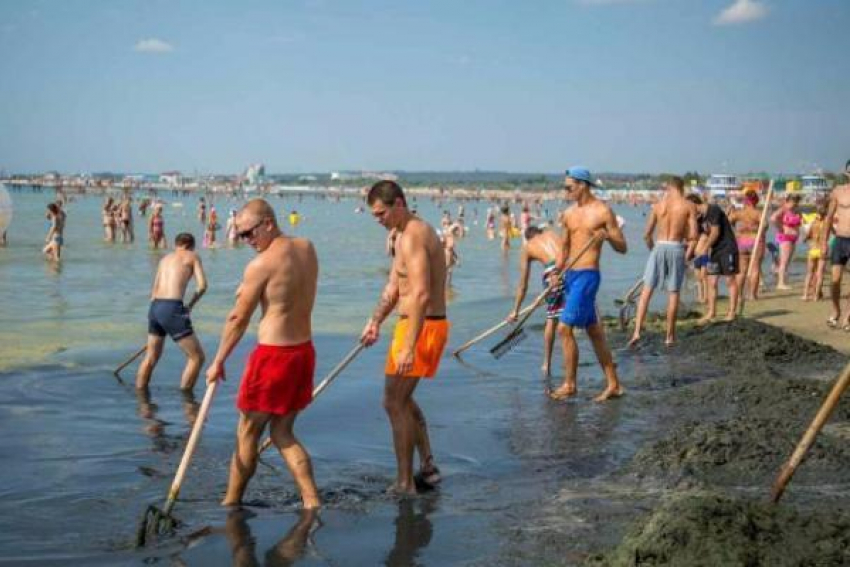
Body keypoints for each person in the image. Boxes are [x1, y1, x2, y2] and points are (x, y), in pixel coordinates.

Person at [205, 199, 320, 509]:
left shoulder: (261, 265)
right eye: (240, 235)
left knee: (247, 433)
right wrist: (252, 288)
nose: (246, 241)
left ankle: (230, 504)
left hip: (274, 357)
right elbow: (289, 291)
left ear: (268, 223)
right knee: (283, 432)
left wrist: (217, 361)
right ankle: (311, 501)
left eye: (249, 233)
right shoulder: (307, 248)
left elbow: (237, 319)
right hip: (303, 352)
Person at [360, 180, 448, 495]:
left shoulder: (413, 236)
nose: (378, 219)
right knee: (402, 399)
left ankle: (404, 482)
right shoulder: (399, 236)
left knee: (393, 401)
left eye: (381, 213)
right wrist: (375, 321)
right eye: (374, 215)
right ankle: (427, 466)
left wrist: (409, 345)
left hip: (423, 326)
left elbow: (422, 293)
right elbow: (395, 288)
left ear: (399, 203)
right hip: (410, 325)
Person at [549, 167, 627, 402]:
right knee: (594, 332)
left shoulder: (602, 211)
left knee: (564, 328)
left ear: (583, 185)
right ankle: (614, 385)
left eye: (569, 187)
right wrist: (556, 272)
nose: (566, 191)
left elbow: (623, 247)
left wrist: (609, 237)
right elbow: (564, 248)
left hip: (588, 275)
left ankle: (570, 384)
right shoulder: (569, 214)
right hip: (570, 275)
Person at [628, 176, 698, 348]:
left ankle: (637, 331)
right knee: (673, 293)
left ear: (669, 187)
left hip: (658, 247)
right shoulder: (688, 205)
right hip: (675, 247)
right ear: (682, 188)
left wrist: (653, 250)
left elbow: (646, 235)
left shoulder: (658, 206)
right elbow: (694, 236)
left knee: (646, 291)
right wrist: (688, 249)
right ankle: (669, 336)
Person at [136, 232, 207, 391]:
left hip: (155, 307)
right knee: (197, 358)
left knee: (151, 357)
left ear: (176, 245)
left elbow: (154, 290)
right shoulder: (192, 256)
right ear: (191, 246)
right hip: (172, 307)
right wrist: (190, 305)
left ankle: (140, 396)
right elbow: (202, 286)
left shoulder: (164, 259)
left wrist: (159, 318)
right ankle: (186, 399)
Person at [507, 225, 565, 376]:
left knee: (552, 319)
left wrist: (516, 310)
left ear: (527, 238)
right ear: (540, 233)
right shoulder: (552, 233)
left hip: (552, 272)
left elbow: (523, 285)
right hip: (570, 264)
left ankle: (546, 363)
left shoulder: (528, 247)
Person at [686, 194, 740, 324]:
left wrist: (705, 249)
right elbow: (695, 236)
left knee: (729, 280)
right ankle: (711, 312)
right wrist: (687, 254)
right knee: (712, 282)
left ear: (694, 204)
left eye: (688, 207)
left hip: (728, 248)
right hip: (715, 251)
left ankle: (732, 312)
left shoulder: (713, 209)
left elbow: (715, 232)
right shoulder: (699, 219)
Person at [822, 160, 850, 329]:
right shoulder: (838, 192)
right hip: (839, 239)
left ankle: (848, 317)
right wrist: (824, 242)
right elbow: (829, 218)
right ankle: (836, 311)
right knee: (835, 280)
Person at [728, 190, 765, 300]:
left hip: (742, 240)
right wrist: (757, 228)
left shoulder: (739, 213)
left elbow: (728, 220)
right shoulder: (758, 213)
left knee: (742, 269)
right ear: (756, 201)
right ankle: (752, 295)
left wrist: (736, 227)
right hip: (754, 240)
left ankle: (739, 295)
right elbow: (765, 225)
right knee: (755, 268)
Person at [771, 194, 802, 290]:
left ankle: (783, 280)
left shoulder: (796, 210)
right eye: (793, 201)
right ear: (787, 201)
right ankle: (780, 283)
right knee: (784, 261)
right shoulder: (783, 210)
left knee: (787, 261)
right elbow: (773, 218)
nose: (795, 204)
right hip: (785, 237)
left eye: (796, 202)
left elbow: (799, 224)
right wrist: (780, 227)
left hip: (793, 238)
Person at [802, 204, 828, 301]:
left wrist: (805, 239)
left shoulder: (813, 223)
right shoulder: (827, 223)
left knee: (809, 273)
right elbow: (834, 232)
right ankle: (816, 296)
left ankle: (805, 295)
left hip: (813, 248)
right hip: (822, 248)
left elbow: (807, 236)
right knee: (820, 274)